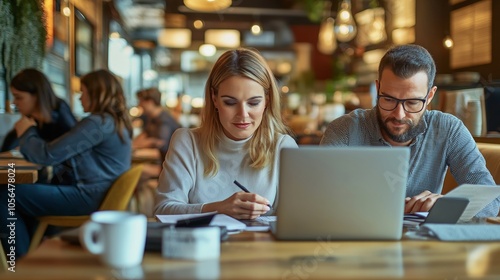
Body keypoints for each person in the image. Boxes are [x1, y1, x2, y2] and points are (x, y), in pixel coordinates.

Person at [320, 44, 499, 217]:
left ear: (430, 96)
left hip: (424, 244)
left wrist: (446, 206)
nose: (399, 114)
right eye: (389, 100)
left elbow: (491, 203)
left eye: (412, 102)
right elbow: (315, 199)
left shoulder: (449, 130)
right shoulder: (344, 130)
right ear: (378, 88)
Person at [0, 69, 133, 258]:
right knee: (21, 191)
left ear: (96, 93)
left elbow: (48, 155)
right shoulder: (113, 122)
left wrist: (27, 132)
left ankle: (20, 264)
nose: (79, 99)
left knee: (6, 196)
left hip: (87, 197)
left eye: (82, 93)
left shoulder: (97, 123)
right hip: (100, 194)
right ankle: (30, 254)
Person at [154, 48, 297, 219]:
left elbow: (297, 217)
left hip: (261, 246)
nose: (243, 114)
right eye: (230, 102)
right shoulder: (187, 142)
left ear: (267, 100)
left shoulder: (283, 147)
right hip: (201, 245)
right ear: (214, 98)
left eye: (253, 103)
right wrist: (218, 208)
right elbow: (162, 210)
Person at [1, 68, 76, 154]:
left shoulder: (60, 112)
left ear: (37, 96)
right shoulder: (33, 116)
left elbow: (53, 154)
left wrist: (26, 135)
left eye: (19, 97)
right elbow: (8, 146)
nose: (14, 102)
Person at [132, 87, 181, 162]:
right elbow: (145, 134)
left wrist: (135, 147)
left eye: (141, 101)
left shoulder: (164, 120)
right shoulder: (152, 117)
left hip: (170, 164)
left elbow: (160, 143)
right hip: (161, 160)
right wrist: (131, 146)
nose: (139, 104)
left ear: (150, 102)